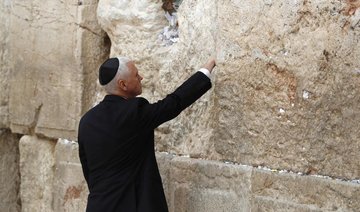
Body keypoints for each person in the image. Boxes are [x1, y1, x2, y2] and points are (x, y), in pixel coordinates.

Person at [78, 56, 216, 212]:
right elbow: (173, 104)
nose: (141, 78)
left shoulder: (86, 121)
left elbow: (88, 171)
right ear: (122, 84)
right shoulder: (134, 112)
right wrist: (206, 70)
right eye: (136, 75)